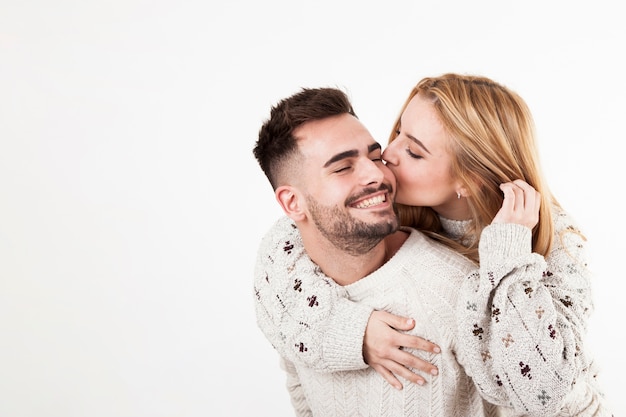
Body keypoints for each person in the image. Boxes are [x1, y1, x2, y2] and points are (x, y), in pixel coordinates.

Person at [254, 75, 612, 416]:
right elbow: (285, 249)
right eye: (396, 134)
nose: (386, 158)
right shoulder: (376, 210)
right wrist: (355, 333)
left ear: (467, 181)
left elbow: (549, 391)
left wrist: (508, 260)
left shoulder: (553, 243)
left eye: (413, 151)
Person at [253, 87, 500, 416]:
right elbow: (300, 383)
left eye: (374, 157)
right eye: (343, 168)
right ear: (292, 203)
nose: (378, 174)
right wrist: (354, 333)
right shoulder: (289, 290)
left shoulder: (456, 290)